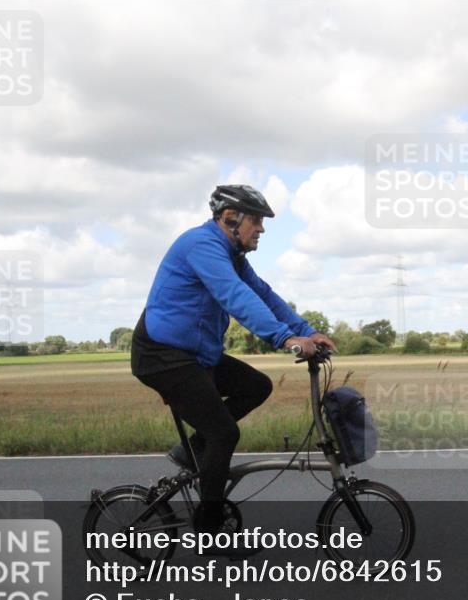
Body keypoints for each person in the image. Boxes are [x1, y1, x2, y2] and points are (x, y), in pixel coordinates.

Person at [130, 184, 336, 534]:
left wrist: (306, 330)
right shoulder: (202, 246)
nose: (262, 229)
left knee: (256, 386)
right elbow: (235, 295)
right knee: (223, 433)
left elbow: (262, 294)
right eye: (256, 220)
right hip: (163, 355)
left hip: (196, 355)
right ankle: (210, 530)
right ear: (229, 218)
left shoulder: (232, 256)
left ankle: (192, 450)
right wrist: (285, 338)